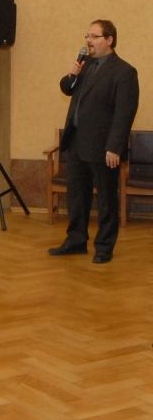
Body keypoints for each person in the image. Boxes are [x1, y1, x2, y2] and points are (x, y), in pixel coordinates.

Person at [48, 19, 139, 264]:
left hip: (103, 146)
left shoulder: (124, 72)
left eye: (94, 36)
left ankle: (104, 247)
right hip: (77, 142)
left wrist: (115, 147)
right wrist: (72, 74)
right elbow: (67, 88)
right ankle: (76, 241)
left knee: (107, 199)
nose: (88, 41)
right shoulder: (84, 65)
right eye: (87, 36)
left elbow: (124, 113)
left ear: (109, 40)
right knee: (77, 196)